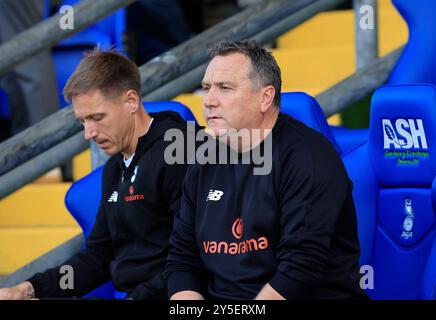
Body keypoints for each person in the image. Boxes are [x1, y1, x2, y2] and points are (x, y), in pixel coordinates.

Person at [165, 40, 368, 300]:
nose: (209, 101)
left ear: (265, 97)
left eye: (225, 88)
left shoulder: (307, 156)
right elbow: (182, 259)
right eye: (206, 88)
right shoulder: (203, 160)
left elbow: (299, 269)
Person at [0, 50, 193, 300]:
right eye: (82, 121)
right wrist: (28, 289)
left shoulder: (180, 152)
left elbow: (189, 259)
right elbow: (98, 256)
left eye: (97, 118)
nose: (88, 133)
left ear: (131, 101)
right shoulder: (115, 167)